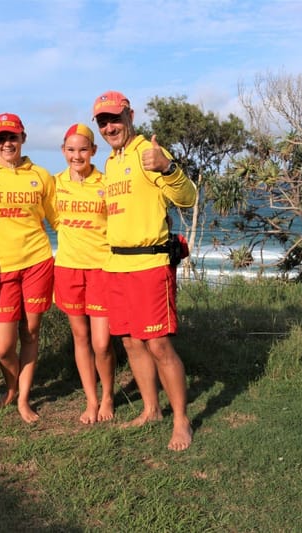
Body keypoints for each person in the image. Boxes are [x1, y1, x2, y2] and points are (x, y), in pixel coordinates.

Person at [91, 91, 197, 451]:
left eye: (115, 118)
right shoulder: (109, 163)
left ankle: (181, 419)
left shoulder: (148, 154)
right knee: (131, 341)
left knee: (158, 344)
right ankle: (152, 409)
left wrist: (168, 167)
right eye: (102, 122)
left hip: (150, 264)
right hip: (116, 265)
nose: (109, 127)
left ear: (130, 115)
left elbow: (188, 198)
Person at [0, 113, 59, 423]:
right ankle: (11, 387)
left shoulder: (42, 175)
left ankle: (22, 399)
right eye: (1, 138)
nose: (7, 143)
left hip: (37, 262)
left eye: (12, 137)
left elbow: (59, 220)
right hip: (0, 268)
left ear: (23, 138)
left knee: (31, 332)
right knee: (4, 346)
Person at [52, 123, 116, 425]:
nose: (77, 155)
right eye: (71, 149)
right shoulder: (54, 184)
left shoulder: (106, 182)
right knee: (80, 336)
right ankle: (91, 400)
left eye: (82, 149)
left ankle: (108, 396)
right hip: (68, 267)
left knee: (102, 342)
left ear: (93, 150)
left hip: (101, 268)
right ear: (64, 151)